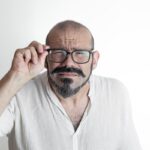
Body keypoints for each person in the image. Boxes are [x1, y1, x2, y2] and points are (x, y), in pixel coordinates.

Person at [0, 20, 142, 150]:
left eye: (80, 53)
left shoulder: (116, 93)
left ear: (94, 60)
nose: (68, 63)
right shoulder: (18, 91)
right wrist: (15, 76)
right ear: (45, 58)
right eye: (58, 53)